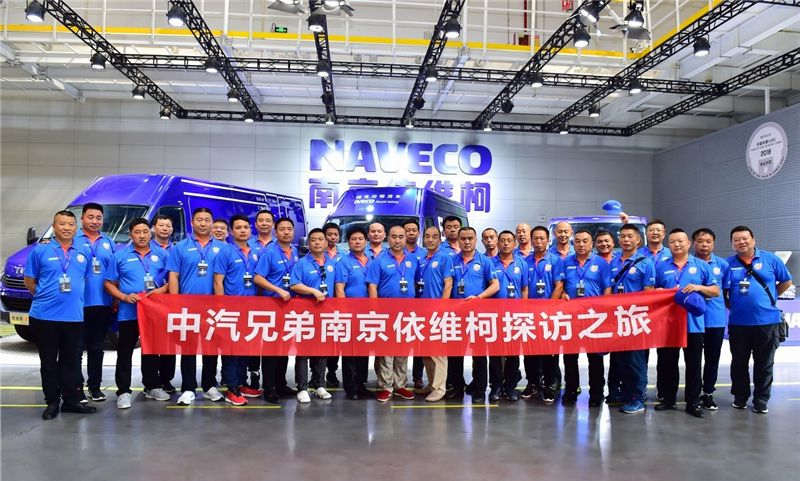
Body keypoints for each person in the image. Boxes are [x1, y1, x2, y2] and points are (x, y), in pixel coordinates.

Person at [24, 210, 97, 420]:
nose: (66, 228)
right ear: (54, 226)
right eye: (62, 224)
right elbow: (29, 280)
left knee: (70, 361)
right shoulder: (40, 251)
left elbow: (85, 279)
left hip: (73, 317)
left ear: (76, 227)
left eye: (70, 224)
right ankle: (52, 402)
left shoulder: (84, 251)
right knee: (48, 362)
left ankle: (71, 401)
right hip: (44, 316)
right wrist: (45, 296)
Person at [104, 218, 170, 409]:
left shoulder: (162, 254)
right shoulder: (120, 256)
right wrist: (123, 297)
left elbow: (172, 279)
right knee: (125, 352)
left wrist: (160, 291)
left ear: (150, 232)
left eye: (145, 231)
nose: (142, 235)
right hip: (129, 313)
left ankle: (152, 386)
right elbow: (108, 283)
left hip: (153, 312)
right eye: (137, 232)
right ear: (131, 234)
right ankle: (123, 391)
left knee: (151, 350)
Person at [726, 225, 792, 414]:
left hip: (768, 322)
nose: (741, 242)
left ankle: (761, 400)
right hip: (738, 323)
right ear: (732, 244)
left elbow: (786, 281)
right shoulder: (727, 264)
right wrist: (733, 305)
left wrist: (771, 298)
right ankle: (740, 398)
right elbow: (722, 291)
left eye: (745, 238)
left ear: (753, 240)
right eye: (736, 239)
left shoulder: (771, 259)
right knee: (738, 363)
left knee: (764, 363)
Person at [654, 228, 719, 418]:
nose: (676, 244)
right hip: (668, 324)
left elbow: (715, 290)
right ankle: (668, 399)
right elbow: (652, 290)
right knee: (667, 364)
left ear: (689, 244)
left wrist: (698, 287)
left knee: (693, 365)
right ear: (668, 245)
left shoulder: (701, 265)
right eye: (672, 242)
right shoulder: (661, 266)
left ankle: (693, 402)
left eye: (680, 241)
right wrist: (658, 292)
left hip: (693, 324)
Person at [167, 207, 227, 406]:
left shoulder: (223, 248)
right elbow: (173, 275)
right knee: (188, 348)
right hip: (187, 306)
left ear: (212, 223)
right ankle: (188, 388)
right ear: (192, 223)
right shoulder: (180, 247)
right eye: (199, 220)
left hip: (213, 307)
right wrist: (175, 302)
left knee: (211, 348)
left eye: (207, 220)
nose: (203, 223)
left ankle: (209, 385)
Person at [552, 229, 611, 407]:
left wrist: (604, 309)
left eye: (585, 241)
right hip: (571, 317)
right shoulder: (565, 262)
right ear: (573, 243)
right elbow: (561, 285)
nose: (581, 244)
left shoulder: (601, 263)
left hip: (594, 318)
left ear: (592, 244)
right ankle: (571, 390)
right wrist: (563, 295)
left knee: (595, 358)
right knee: (570, 357)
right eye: (577, 241)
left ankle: (596, 393)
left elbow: (607, 288)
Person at [213, 214, 263, 406]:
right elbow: (218, 281)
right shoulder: (225, 252)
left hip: (251, 309)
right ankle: (231, 387)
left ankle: (241, 383)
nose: (243, 230)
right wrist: (221, 308)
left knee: (245, 348)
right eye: (238, 228)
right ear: (231, 232)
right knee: (231, 350)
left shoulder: (256, 251)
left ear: (250, 230)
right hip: (231, 309)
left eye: (245, 227)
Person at [366, 226, 419, 403]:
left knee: (402, 350)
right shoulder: (379, 260)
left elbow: (415, 283)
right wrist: (375, 310)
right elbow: (372, 286)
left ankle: (400, 385)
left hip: (407, 313)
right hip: (385, 313)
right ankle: (385, 386)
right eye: (394, 236)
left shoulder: (413, 260)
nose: (397, 240)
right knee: (386, 351)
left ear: (405, 238)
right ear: (388, 238)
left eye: (401, 237)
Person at [446, 227, 499, 403]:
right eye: (463, 239)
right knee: (455, 353)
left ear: (476, 240)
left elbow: (495, 285)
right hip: (456, 315)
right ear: (458, 240)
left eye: (470, 238)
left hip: (478, 315)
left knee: (479, 355)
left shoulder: (485, 261)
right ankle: (456, 386)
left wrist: (479, 297)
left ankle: (479, 389)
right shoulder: (451, 260)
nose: (467, 242)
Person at [253, 217, 300, 403]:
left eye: (289, 229)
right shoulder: (270, 253)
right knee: (271, 348)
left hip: (291, 307)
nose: (286, 232)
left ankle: (281, 383)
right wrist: (278, 289)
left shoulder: (296, 251)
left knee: (285, 346)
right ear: (276, 232)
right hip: (272, 305)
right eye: (282, 229)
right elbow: (258, 278)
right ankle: (269, 387)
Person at [609, 224, 655, 414]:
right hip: (617, 319)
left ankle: (638, 398)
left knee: (636, 361)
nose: (626, 239)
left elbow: (649, 293)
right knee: (621, 360)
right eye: (623, 236)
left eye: (630, 236)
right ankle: (626, 394)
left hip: (636, 319)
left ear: (638, 240)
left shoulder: (646, 263)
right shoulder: (613, 262)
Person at [74, 202, 116, 403]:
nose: (95, 221)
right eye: (90, 217)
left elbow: (114, 274)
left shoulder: (109, 242)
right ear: (82, 218)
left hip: (102, 304)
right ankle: (76, 388)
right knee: (76, 349)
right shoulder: (73, 241)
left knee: (97, 348)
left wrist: (115, 298)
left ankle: (95, 387)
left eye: (98, 218)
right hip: (77, 305)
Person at [289, 228, 335, 403]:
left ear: (326, 243)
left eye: (320, 239)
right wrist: (313, 291)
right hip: (306, 314)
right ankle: (302, 387)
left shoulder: (333, 263)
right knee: (303, 352)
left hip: (326, 314)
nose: (317, 242)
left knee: (322, 350)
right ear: (309, 243)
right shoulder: (301, 263)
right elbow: (294, 284)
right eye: (313, 240)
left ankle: (319, 385)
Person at [522, 226, 563, 404]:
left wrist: (548, 308)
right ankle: (532, 383)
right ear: (531, 240)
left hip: (549, 313)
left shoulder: (555, 260)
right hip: (530, 315)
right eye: (535, 239)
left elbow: (559, 286)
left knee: (549, 352)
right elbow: (523, 287)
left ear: (548, 240)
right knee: (530, 352)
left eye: (542, 238)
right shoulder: (525, 261)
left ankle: (550, 385)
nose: (538, 242)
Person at [692, 227, 730, 410]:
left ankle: (708, 393)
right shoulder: (688, 264)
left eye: (708, 241)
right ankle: (693, 393)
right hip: (693, 320)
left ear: (713, 243)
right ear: (693, 243)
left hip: (715, 320)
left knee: (712, 359)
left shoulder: (722, 265)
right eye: (700, 241)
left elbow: (726, 291)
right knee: (693, 360)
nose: (704, 245)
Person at [415, 226, 454, 402]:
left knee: (438, 352)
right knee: (426, 352)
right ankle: (431, 384)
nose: (430, 239)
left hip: (437, 311)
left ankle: (439, 388)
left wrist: (442, 307)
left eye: (434, 237)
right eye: (428, 236)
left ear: (440, 239)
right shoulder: (422, 259)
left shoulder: (444, 258)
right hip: (422, 312)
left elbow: (448, 283)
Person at [334, 227, 373, 400]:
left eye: (360, 239)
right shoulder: (343, 262)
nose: (357, 242)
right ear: (348, 242)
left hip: (368, 313)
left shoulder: (372, 261)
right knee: (350, 351)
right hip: (350, 312)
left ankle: (361, 385)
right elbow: (339, 288)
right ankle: (350, 387)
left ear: (366, 241)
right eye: (353, 239)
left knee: (363, 351)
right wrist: (343, 312)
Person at [489, 230, 528, 402]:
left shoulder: (522, 264)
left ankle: (510, 387)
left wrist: (523, 311)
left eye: (509, 240)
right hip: (495, 316)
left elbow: (525, 289)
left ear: (515, 244)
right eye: (503, 240)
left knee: (513, 354)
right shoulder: (490, 263)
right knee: (495, 354)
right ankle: (496, 386)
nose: (506, 243)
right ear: (497, 243)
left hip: (515, 316)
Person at [245, 209, 276, 391]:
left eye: (268, 220)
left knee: (273, 340)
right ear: (255, 224)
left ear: (273, 224)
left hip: (274, 301)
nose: (264, 223)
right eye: (261, 220)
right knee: (253, 338)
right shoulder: (247, 245)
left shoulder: (282, 246)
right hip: (251, 299)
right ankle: (253, 373)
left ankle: (275, 380)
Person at [149, 215, 177, 392]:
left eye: (168, 225)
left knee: (169, 342)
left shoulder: (177, 249)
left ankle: (166, 379)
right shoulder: (147, 248)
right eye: (161, 225)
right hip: (152, 301)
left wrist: (168, 288)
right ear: (154, 228)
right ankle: (151, 381)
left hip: (171, 301)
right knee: (152, 342)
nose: (165, 228)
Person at [404, 219, 426, 390]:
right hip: (401, 304)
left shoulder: (425, 254)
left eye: (414, 230)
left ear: (419, 233)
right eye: (408, 230)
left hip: (421, 303)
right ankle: (399, 378)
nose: (411, 233)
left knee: (420, 341)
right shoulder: (396, 252)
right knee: (400, 341)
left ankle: (418, 377)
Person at [322, 222, 343, 389]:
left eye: (335, 234)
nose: (333, 237)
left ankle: (332, 372)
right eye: (329, 234)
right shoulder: (317, 254)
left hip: (339, 304)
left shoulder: (345, 255)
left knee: (336, 342)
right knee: (321, 341)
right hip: (320, 304)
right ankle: (317, 375)